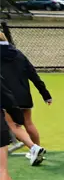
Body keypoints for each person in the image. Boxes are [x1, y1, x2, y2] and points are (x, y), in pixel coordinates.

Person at [0, 34, 50, 164]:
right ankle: (37, 151)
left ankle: (34, 148)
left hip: (7, 96)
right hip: (24, 95)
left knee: (14, 126)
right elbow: (32, 74)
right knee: (28, 123)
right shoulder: (18, 54)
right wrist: (45, 94)